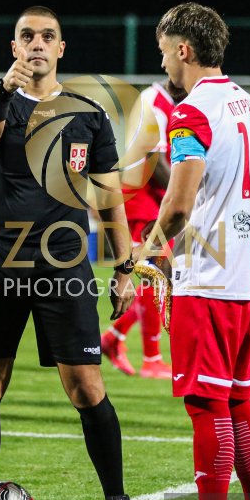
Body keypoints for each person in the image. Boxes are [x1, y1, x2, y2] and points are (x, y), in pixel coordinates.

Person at [0, 5, 145, 500]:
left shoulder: (89, 115)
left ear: (61, 48)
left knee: (86, 386)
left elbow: (109, 198)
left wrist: (125, 266)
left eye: (46, 36)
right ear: (14, 47)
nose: (36, 43)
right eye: (27, 36)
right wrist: (3, 90)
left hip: (63, 264)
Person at [135, 3, 250, 500]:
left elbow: (178, 204)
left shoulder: (191, 112)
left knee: (205, 404)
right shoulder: (248, 103)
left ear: (184, 50)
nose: (163, 62)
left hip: (209, 278)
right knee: (237, 402)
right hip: (248, 274)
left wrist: (146, 249)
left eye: (164, 51)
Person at [100, 78, 183, 380]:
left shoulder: (175, 104)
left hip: (155, 200)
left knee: (160, 277)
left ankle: (113, 338)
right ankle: (151, 359)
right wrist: (185, 195)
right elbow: (154, 159)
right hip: (141, 199)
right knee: (156, 274)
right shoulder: (153, 101)